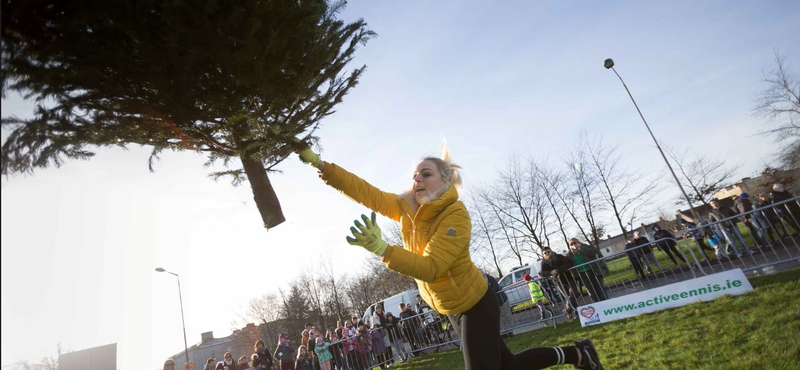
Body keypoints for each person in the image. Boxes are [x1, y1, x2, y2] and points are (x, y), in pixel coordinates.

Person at [295, 141, 605, 369]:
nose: (417, 180)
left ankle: (579, 353)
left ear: (445, 181)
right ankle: (578, 353)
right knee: (507, 366)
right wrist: (322, 166)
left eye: (425, 174)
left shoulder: (455, 215)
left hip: (475, 305)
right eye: (415, 175)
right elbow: (367, 192)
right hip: (449, 307)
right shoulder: (406, 207)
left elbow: (433, 267)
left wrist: (383, 250)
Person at [538, 246, 580, 319]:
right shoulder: (544, 263)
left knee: (574, 294)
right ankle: (577, 313)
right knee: (567, 297)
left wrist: (558, 270)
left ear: (551, 251)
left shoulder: (559, 257)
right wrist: (550, 272)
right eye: (545, 253)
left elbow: (568, 264)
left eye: (548, 251)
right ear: (543, 254)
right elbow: (542, 273)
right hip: (558, 282)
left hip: (568, 278)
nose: (547, 253)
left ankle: (567, 310)